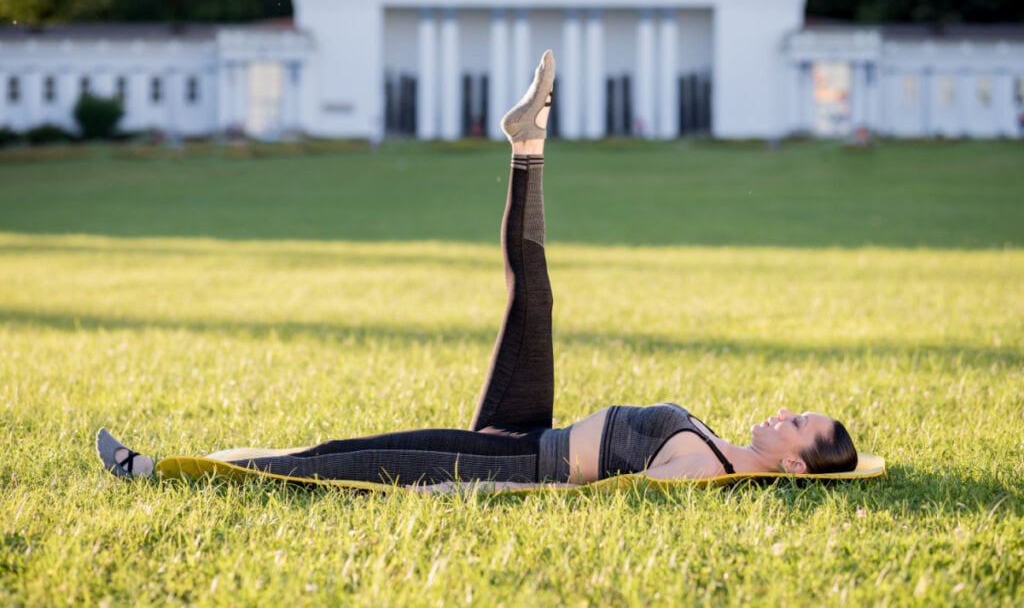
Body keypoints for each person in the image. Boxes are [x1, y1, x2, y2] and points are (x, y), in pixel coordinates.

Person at [97, 50, 858, 492]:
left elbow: (598, 501)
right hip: (533, 424)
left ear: (792, 461)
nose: (784, 411)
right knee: (534, 285)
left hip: (517, 460)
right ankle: (528, 144)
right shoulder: (719, 444)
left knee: (335, 462)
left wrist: (482, 487)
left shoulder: (705, 474)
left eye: (797, 422)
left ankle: (157, 468)